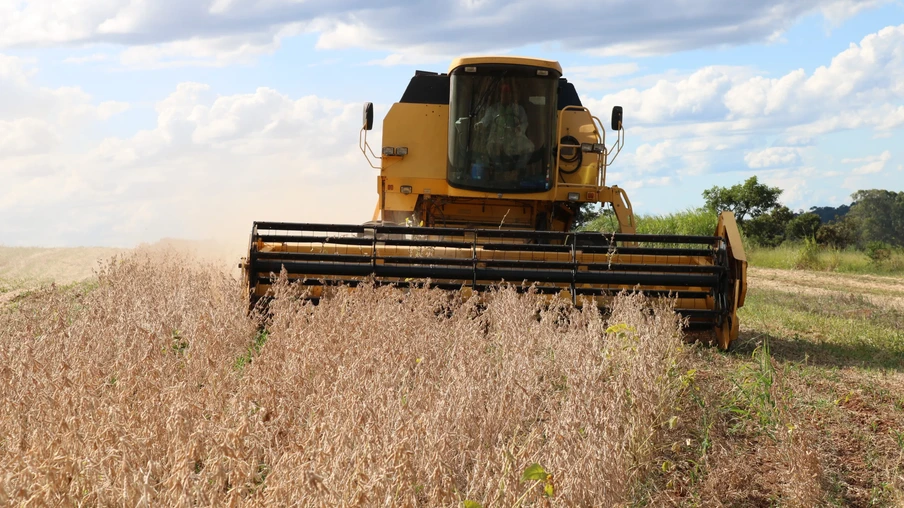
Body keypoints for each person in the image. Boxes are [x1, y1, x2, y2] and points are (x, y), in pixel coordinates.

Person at [475, 82, 534, 173]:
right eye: (503, 94)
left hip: (515, 138)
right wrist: (480, 124)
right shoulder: (493, 109)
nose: (505, 96)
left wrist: (520, 129)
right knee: (491, 147)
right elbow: (485, 120)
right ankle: (498, 170)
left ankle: (518, 169)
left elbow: (525, 122)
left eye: (507, 94)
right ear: (500, 95)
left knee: (529, 147)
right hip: (496, 139)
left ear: (511, 96)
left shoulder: (519, 109)